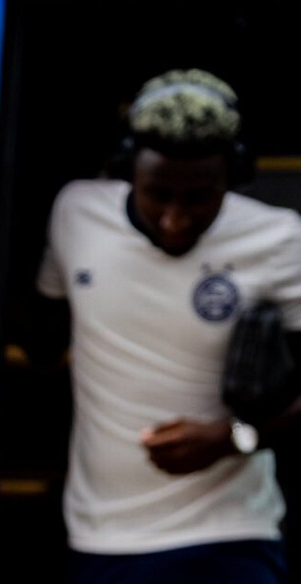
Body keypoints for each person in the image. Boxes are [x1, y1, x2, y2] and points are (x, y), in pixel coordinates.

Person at [30, 68, 301, 583]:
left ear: (233, 177)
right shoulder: (77, 214)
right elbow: (44, 338)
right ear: (128, 171)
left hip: (232, 536)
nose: (176, 219)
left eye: (199, 198)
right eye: (158, 195)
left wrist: (232, 437)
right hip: (99, 537)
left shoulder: (280, 239)